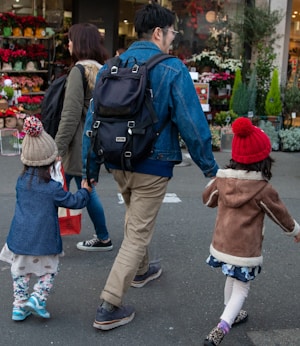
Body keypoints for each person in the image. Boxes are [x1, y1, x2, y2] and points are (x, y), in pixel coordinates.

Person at [82, 3, 219, 330]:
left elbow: (93, 122)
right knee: (137, 232)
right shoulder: (171, 68)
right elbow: (192, 124)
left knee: (134, 217)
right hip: (153, 164)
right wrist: (211, 170)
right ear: (159, 32)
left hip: (117, 161)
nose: (173, 39)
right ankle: (109, 304)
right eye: (172, 32)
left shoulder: (110, 67)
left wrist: (90, 169)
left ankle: (142, 270)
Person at [202, 117, 300, 346]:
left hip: (222, 244)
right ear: (264, 159)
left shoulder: (223, 181)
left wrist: (217, 179)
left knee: (231, 277)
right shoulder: (262, 188)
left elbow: (207, 200)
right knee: (242, 289)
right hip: (245, 249)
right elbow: (281, 216)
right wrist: (295, 231)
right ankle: (221, 328)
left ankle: (231, 314)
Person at [0, 116, 92, 322]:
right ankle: (38, 298)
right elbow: (74, 202)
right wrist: (85, 191)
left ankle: (19, 306)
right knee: (49, 271)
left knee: (20, 273)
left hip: (20, 239)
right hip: (45, 240)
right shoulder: (52, 188)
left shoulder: (21, 181)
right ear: (50, 160)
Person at [55, 23, 113, 252]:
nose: (68, 44)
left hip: (76, 143)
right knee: (84, 187)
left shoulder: (78, 71)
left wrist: (56, 148)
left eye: (71, 39)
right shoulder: (102, 70)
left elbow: (70, 115)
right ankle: (102, 236)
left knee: (58, 189)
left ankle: (45, 238)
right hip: (93, 141)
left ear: (79, 43)